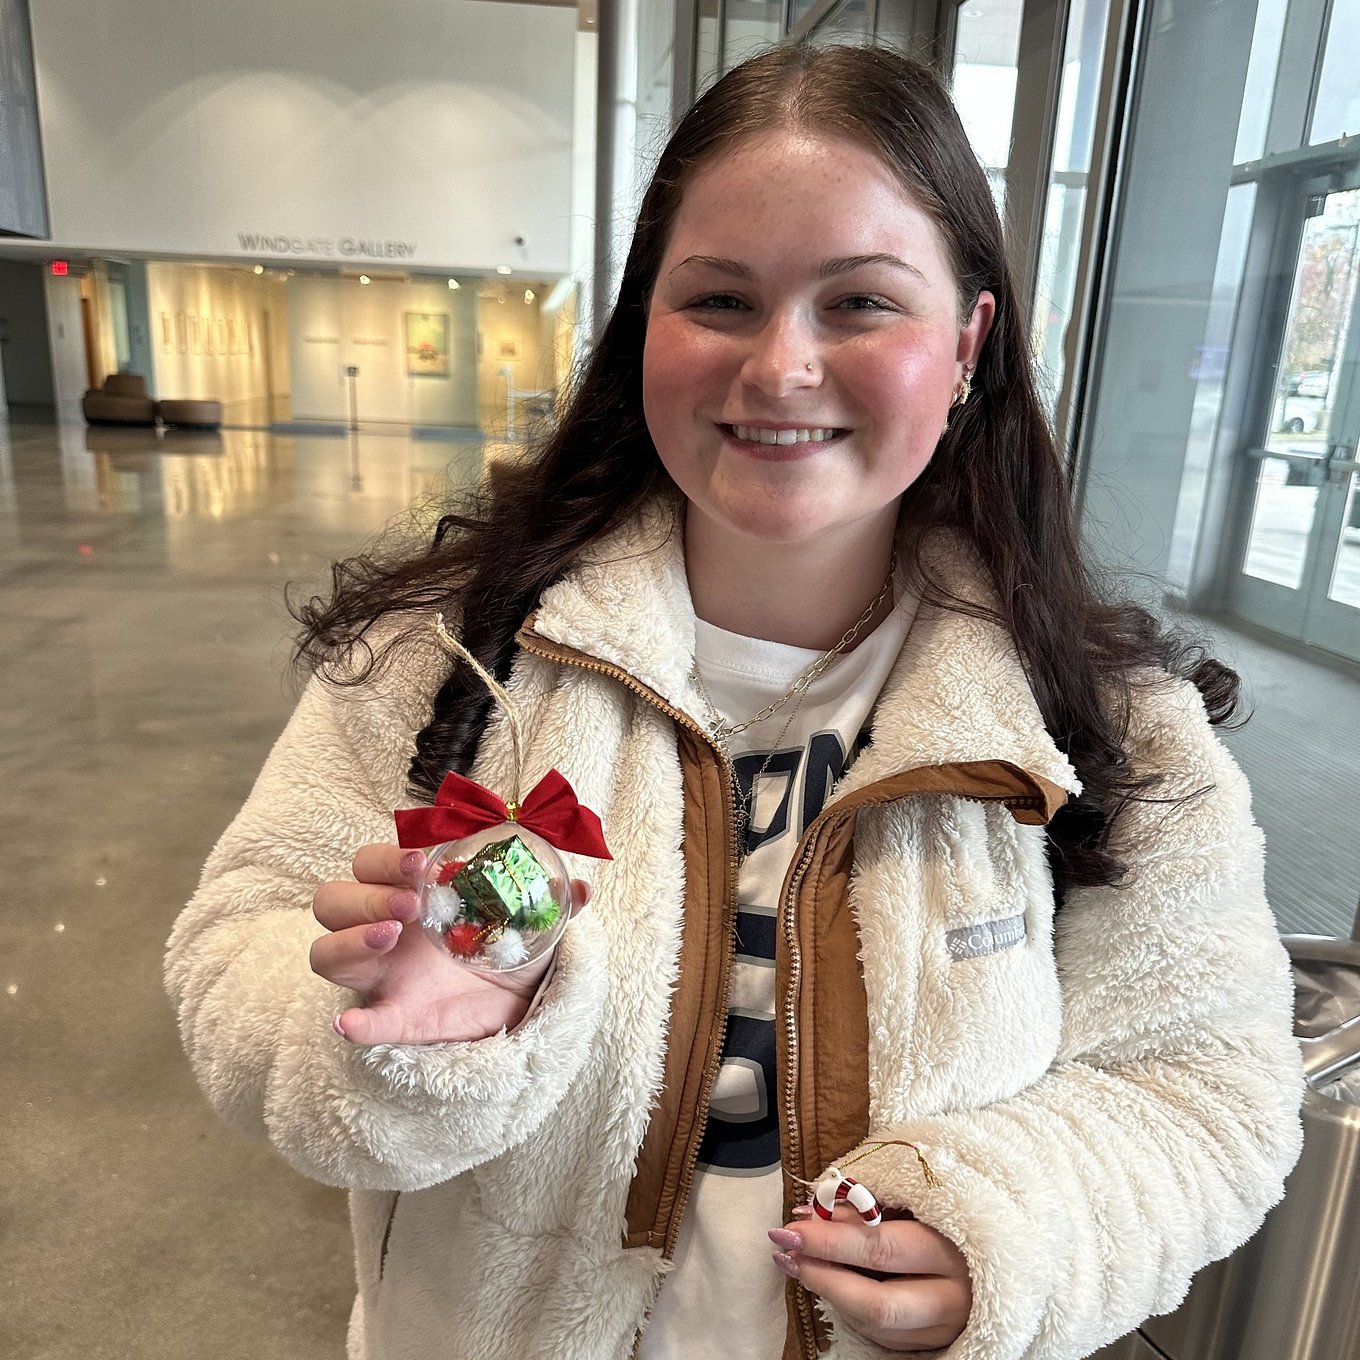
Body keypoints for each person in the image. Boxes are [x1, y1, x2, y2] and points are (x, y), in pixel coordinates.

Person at [165, 41, 1303, 1360]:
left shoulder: (1100, 724)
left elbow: (1206, 1086)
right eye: (718, 299)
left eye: (861, 304)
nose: (780, 369)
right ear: (644, 318)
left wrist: (1004, 1231)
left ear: (970, 342)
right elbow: (231, 952)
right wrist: (394, 1027)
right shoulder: (458, 655)